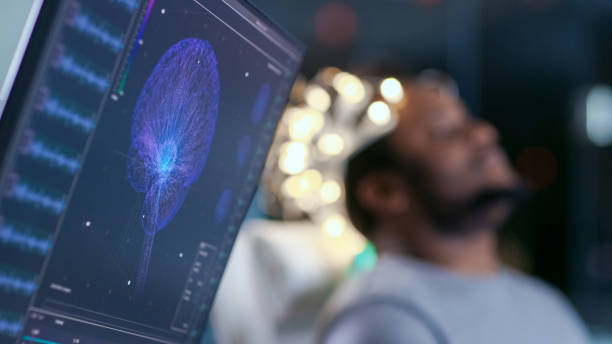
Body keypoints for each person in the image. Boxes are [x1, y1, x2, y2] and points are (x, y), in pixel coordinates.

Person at [317, 81, 590, 344]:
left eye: (468, 122)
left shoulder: (545, 303)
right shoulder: (382, 319)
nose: (484, 133)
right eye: (444, 131)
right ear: (384, 192)